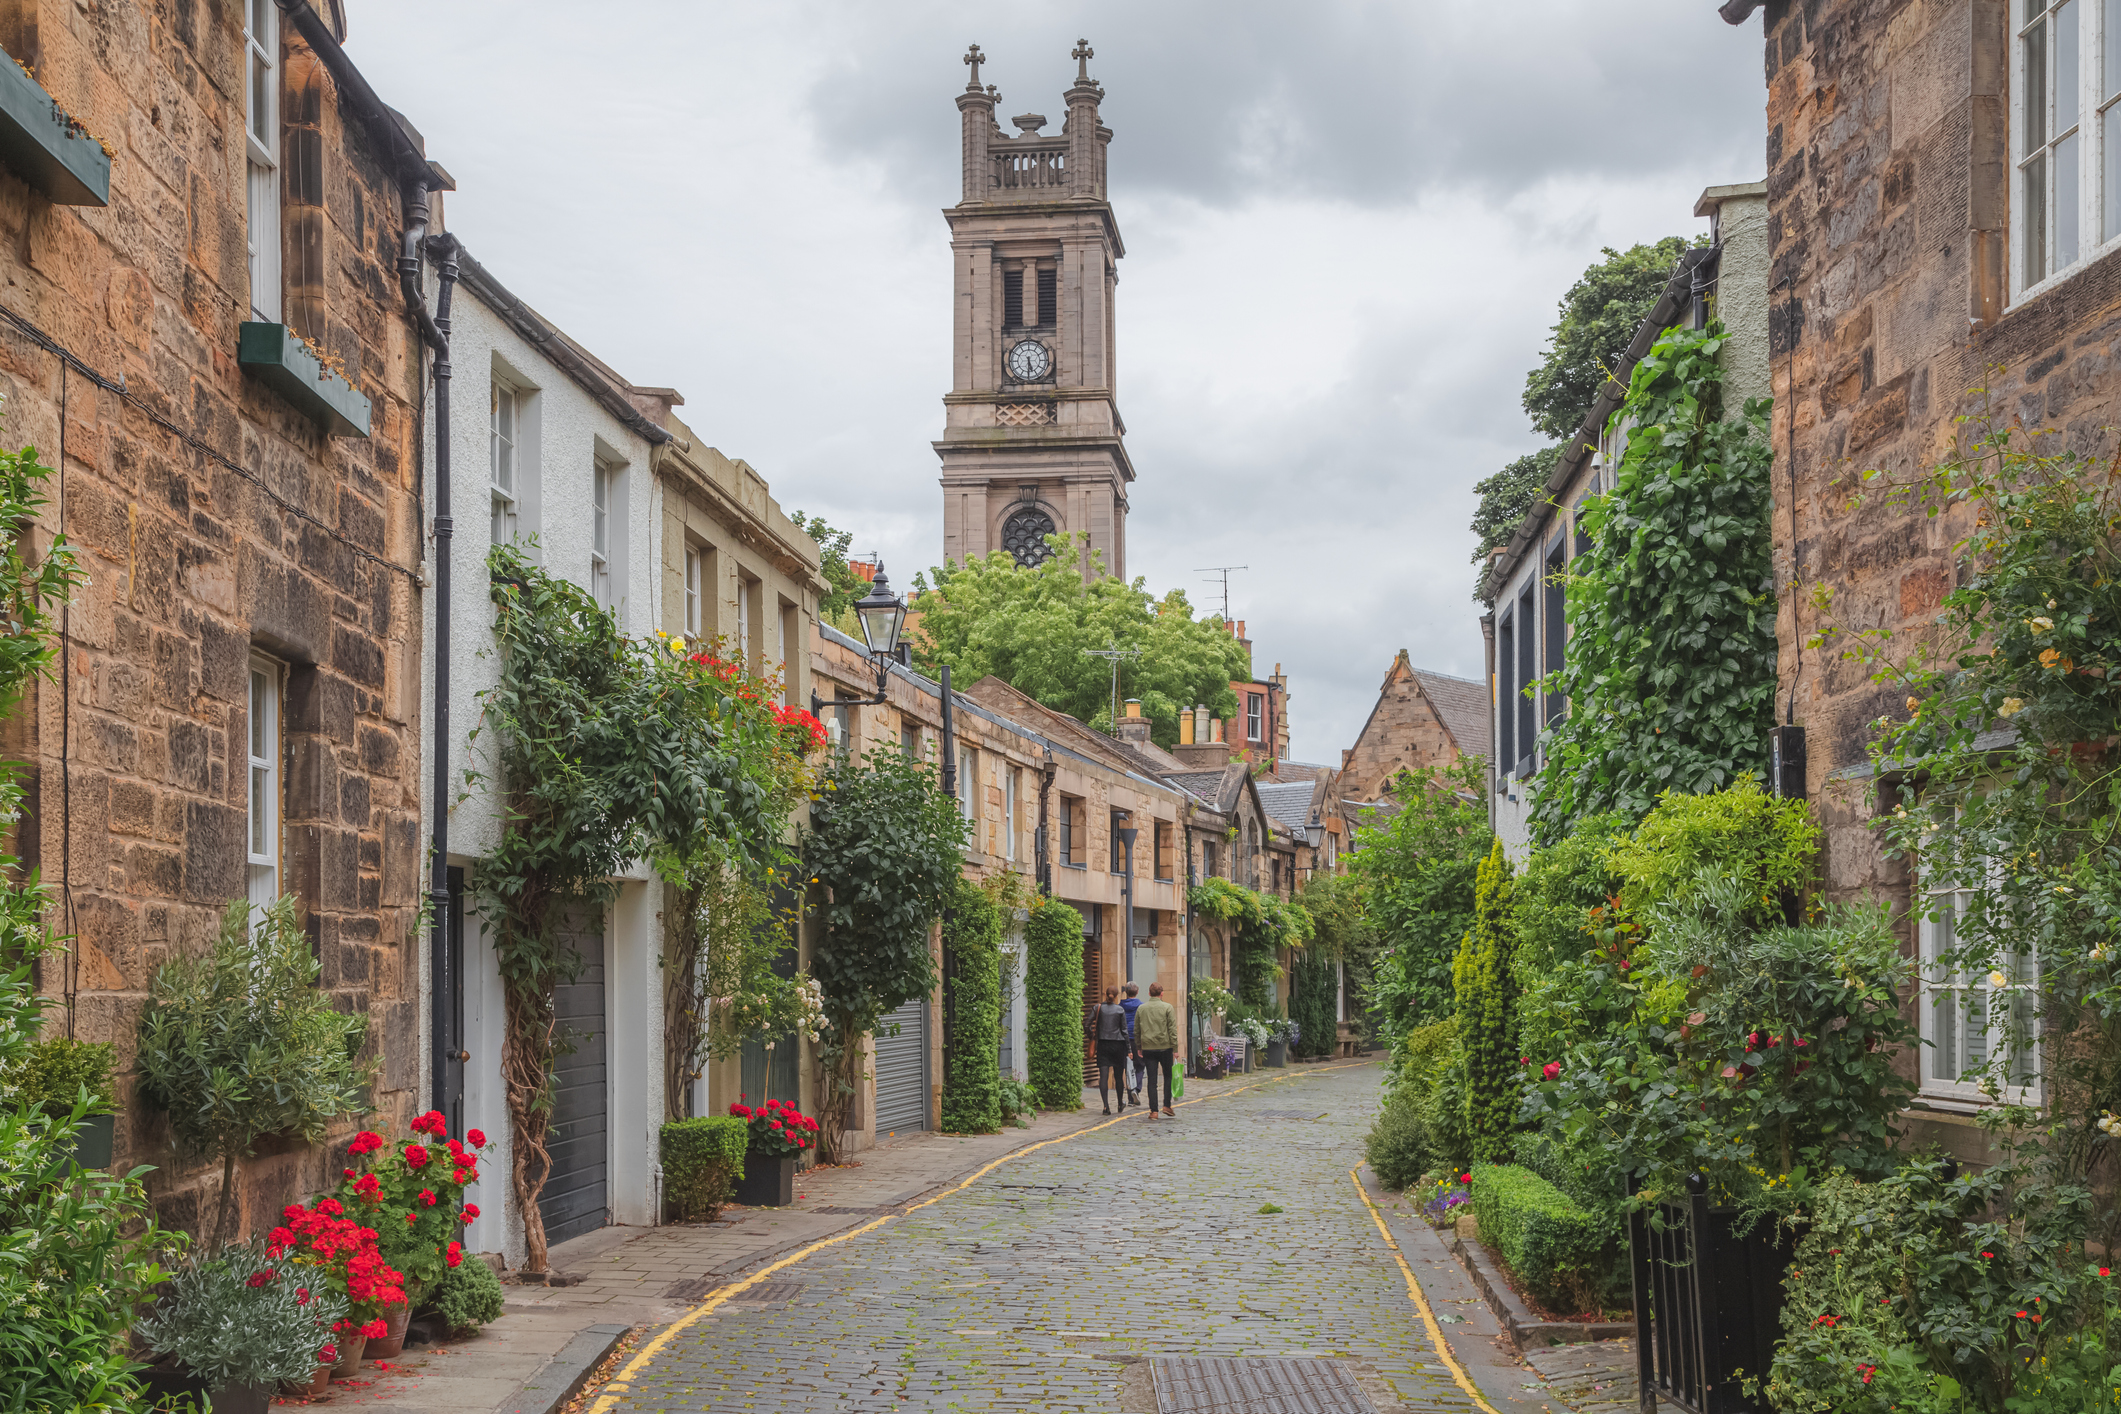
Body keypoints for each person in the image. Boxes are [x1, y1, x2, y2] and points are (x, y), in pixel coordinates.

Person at [1133, 981, 1180, 1118]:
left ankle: (1153, 1111)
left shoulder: (1141, 1008)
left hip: (1148, 1047)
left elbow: (1137, 1030)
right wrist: (1175, 1048)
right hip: (1165, 1047)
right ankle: (1166, 1105)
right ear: (1162, 993)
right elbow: (1172, 1029)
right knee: (1168, 1076)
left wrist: (1139, 1047)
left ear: (1149, 993)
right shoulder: (1168, 1008)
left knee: (1152, 1080)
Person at [1087, 987, 1131, 1115]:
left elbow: (1087, 1024)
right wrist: (1129, 1049)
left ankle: (1106, 1107)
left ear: (1105, 994)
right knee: (1118, 1076)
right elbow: (1124, 1031)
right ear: (1117, 996)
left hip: (1103, 1044)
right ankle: (1120, 1103)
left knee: (1103, 1076)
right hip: (1118, 1045)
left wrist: (1092, 1036)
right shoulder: (1120, 1010)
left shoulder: (1098, 1008)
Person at [1120, 981, 1144, 1108]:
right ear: (1137, 992)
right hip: (1136, 1039)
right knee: (1140, 1066)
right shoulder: (1141, 1006)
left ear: (1126, 992)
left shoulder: (1120, 1006)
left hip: (1124, 1039)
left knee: (1128, 1068)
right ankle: (1136, 1089)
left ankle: (1130, 1098)